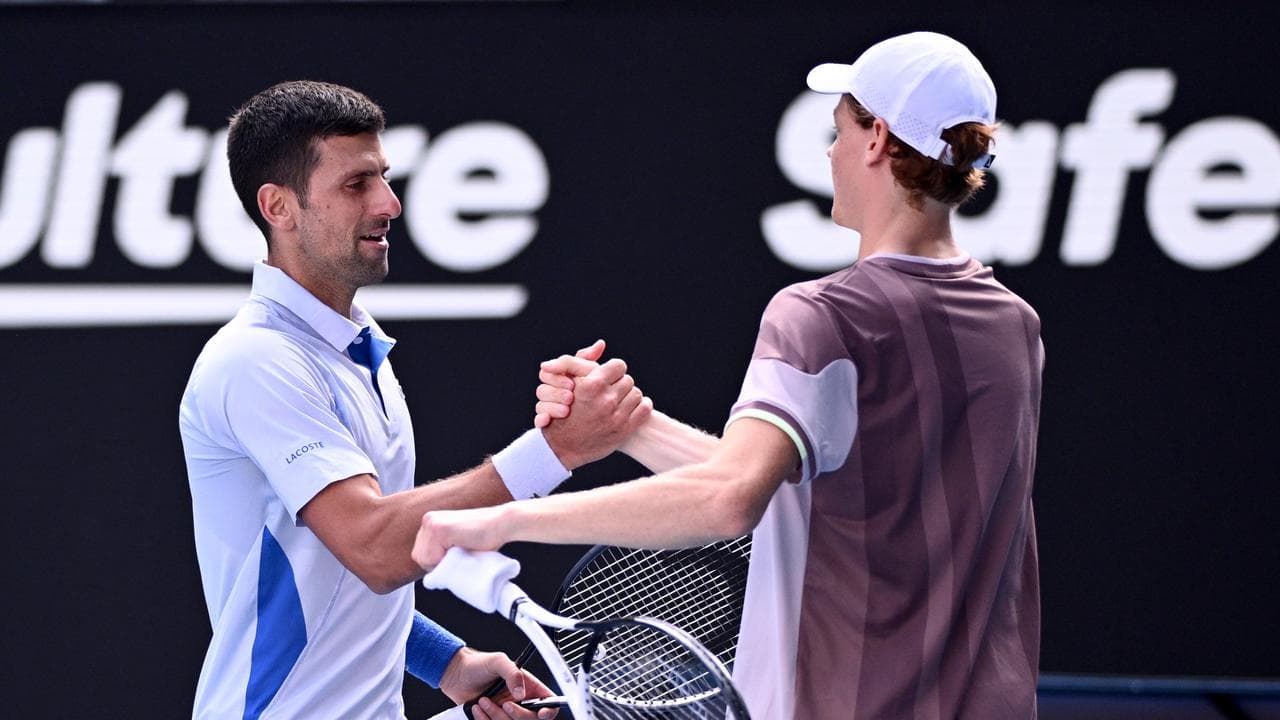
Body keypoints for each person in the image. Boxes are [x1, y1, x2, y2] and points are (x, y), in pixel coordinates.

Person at [412, 32, 1043, 720]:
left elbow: (730, 498)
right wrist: (635, 427)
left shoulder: (822, 316)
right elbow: (813, 497)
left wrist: (500, 522)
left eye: (838, 132)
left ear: (876, 140)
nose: (830, 154)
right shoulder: (1013, 326)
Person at [178, 80, 649, 720]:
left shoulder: (356, 346)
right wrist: (551, 452)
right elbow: (372, 545)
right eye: (356, 185)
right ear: (279, 207)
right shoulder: (256, 360)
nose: (390, 203)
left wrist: (447, 664)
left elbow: (335, 580)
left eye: (385, 177)